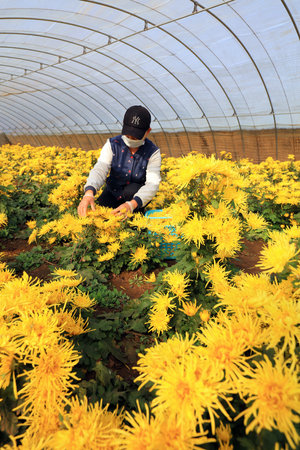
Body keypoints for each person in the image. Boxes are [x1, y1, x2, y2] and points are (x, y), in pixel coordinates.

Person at [77, 105, 161, 218]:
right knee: (96, 217)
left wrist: (131, 205)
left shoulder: (153, 152)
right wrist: (89, 193)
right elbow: (100, 169)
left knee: (132, 193)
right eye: (128, 134)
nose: (131, 139)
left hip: (135, 198)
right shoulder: (112, 144)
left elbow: (152, 183)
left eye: (136, 137)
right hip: (112, 192)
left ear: (148, 131)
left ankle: (135, 215)